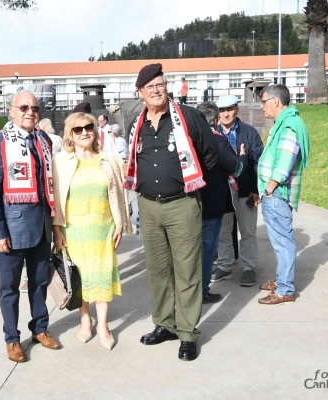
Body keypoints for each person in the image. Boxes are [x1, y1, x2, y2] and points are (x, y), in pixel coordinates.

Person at [124, 64, 218, 361]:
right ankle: (165, 324)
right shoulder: (136, 123)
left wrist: (190, 183)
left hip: (182, 204)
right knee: (158, 271)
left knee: (187, 271)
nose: (156, 90)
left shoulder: (188, 116)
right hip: (149, 206)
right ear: (140, 93)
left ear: (167, 87)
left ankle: (187, 332)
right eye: (149, 87)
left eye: (160, 84)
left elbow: (210, 155)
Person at [0, 91, 60, 362]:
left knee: (39, 283)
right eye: (24, 107)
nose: (30, 112)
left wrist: (55, 225)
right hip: (11, 231)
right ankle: (12, 339)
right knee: (9, 288)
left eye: (35, 108)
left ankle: (40, 328)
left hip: (42, 227)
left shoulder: (43, 140)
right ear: (11, 111)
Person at [52, 112, 131, 351]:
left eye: (89, 127)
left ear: (95, 130)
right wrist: (57, 229)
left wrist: (120, 224)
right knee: (80, 278)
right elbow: (56, 198)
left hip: (103, 229)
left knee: (102, 276)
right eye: (78, 129)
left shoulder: (108, 159)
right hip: (74, 231)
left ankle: (103, 326)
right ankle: (85, 319)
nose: (84, 132)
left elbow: (119, 194)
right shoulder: (60, 161)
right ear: (70, 134)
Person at [257, 84, 310, 305]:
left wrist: (269, 187)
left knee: (283, 243)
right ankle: (281, 281)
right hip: (275, 194)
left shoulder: (288, 125)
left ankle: (285, 290)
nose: (262, 106)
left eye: (263, 102)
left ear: (276, 101)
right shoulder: (285, 122)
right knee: (280, 242)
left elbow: (285, 160)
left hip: (277, 194)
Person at [196, 102, 247, 304]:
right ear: (216, 120)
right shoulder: (216, 139)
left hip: (188, 203)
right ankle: (202, 291)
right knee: (207, 248)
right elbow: (236, 169)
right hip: (212, 203)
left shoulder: (187, 139)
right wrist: (242, 157)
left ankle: (187, 292)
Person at [211, 95, 264, 287]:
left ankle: (249, 268)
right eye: (222, 110)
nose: (226, 114)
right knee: (223, 231)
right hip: (222, 192)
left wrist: (256, 188)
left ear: (237, 110)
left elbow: (258, 162)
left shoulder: (249, 132)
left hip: (245, 190)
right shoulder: (213, 133)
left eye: (230, 109)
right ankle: (225, 265)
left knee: (248, 231)